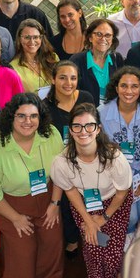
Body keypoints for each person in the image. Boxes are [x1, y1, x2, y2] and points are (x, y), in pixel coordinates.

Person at [0, 93, 65, 278]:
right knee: (23, 248)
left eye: (33, 116)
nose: (28, 121)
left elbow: (61, 171)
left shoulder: (51, 134)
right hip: (10, 203)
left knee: (52, 239)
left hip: (48, 196)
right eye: (21, 116)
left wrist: (55, 204)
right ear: (11, 117)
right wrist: (15, 218)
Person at [50, 103, 133, 278]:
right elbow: (70, 191)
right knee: (93, 245)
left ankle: (115, 272)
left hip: (115, 202)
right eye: (77, 126)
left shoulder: (115, 158)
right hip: (84, 204)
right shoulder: (61, 162)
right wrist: (89, 220)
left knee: (112, 247)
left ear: (98, 129)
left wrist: (103, 218)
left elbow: (122, 192)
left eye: (89, 126)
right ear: (70, 130)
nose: (83, 131)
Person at [99, 67, 140, 236]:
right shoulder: (102, 112)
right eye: (124, 86)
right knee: (130, 218)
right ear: (116, 88)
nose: (129, 91)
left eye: (134, 86)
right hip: (117, 172)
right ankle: (129, 240)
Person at [44, 60, 93, 258]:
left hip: (87, 159)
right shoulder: (45, 108)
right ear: (53, 79)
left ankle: (91, 233)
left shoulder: (86, 98)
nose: (68, 83)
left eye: (73, 78)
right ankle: (72, 239)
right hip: (61, 164)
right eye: (62, 78)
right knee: (66, 204)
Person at [69, 18, 125, 106]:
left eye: (108, 35)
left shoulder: (117, 59)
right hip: (86, 112)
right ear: (90, 38)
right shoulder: (77, 60)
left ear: (112, 39)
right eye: (99, 34)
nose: (103, 39)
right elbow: (71, 93)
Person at [12, 19, 58, 96]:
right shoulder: (13, 67)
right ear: (19, 39)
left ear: (41, 38)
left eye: (36, 37)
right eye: (27, 37)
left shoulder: (53, 58)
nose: (32, 41)